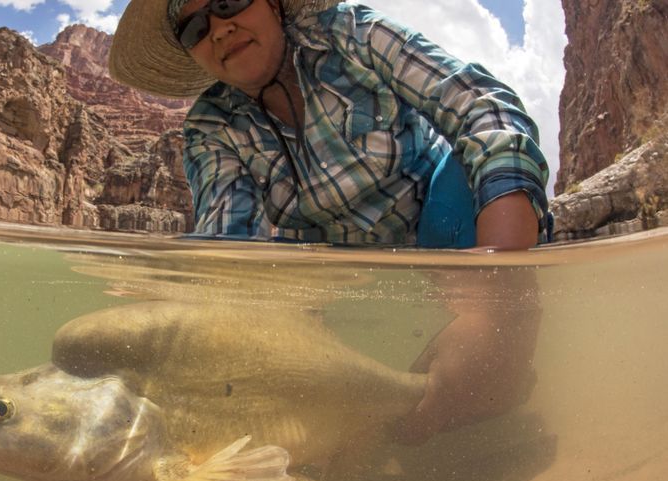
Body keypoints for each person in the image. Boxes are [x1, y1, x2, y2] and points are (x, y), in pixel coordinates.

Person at [109, 0, 544, 448]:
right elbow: (227, 245)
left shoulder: (351, 33)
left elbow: (480, 107)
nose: (219, 29)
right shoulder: (210, 126)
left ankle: (494, 364)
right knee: (379, 426)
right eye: (195, 28)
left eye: (229, 1)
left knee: (469, 180)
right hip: (339, 276)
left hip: (449, 226)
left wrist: (495, 296)